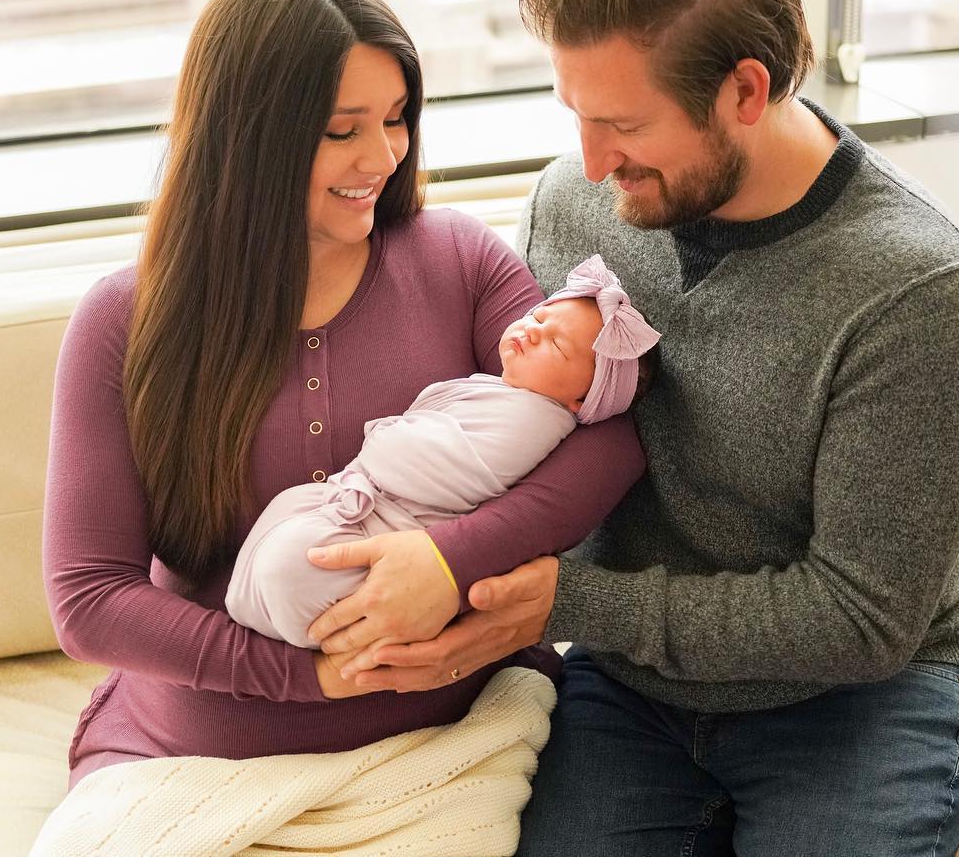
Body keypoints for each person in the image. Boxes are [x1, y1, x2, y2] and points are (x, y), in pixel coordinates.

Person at [312, 0, 959, 857]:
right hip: (630, 687)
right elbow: (511, 441)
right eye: (576, 117)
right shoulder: (573, 207)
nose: (591, 163)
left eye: (623, 127)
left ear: (747, 92)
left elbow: (861, 615)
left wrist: (570, 603)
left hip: (858, 698)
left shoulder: (912, 293)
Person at [42, 0, 646, 788]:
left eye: (398, 119)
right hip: (201, 754)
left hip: (456, 737)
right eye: (342, 129)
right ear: (247, 137)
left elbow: (608, 442)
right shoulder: (123, 321)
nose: (384, 155)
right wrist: (311, 678)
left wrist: (447, 562)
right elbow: (88, 597)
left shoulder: (460, 261)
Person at [226, 255, 661, 648]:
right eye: (540, 315)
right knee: (288, 517)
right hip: (365, 504)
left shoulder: (534, 422)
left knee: (292, 566)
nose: (533, 331)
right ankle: (263, 605)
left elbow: (435, 470)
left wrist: (385, 436)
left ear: (582, 402)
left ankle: (333, 636)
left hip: (392, 528)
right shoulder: (506, 393)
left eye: (556, 344)